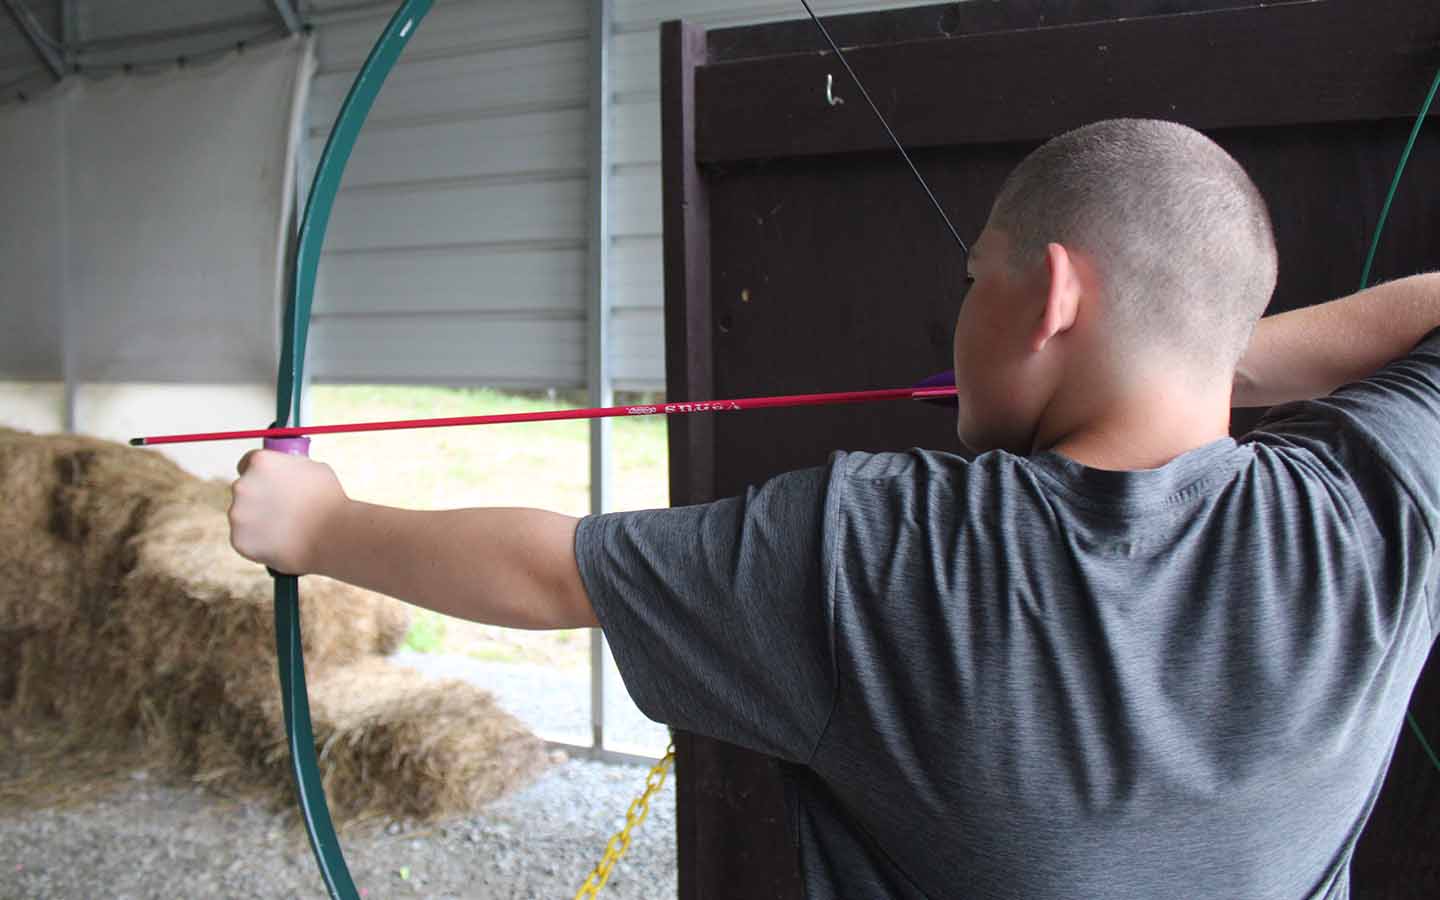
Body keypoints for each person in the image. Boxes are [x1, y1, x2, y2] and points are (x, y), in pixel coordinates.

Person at [228, 119, 1440, 899]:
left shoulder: (889, 551)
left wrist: (319, 527)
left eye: (977, 282)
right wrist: (1192, 350)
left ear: (1053, 294)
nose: (960, 319)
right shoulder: (1378, 515)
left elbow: (555, 572)